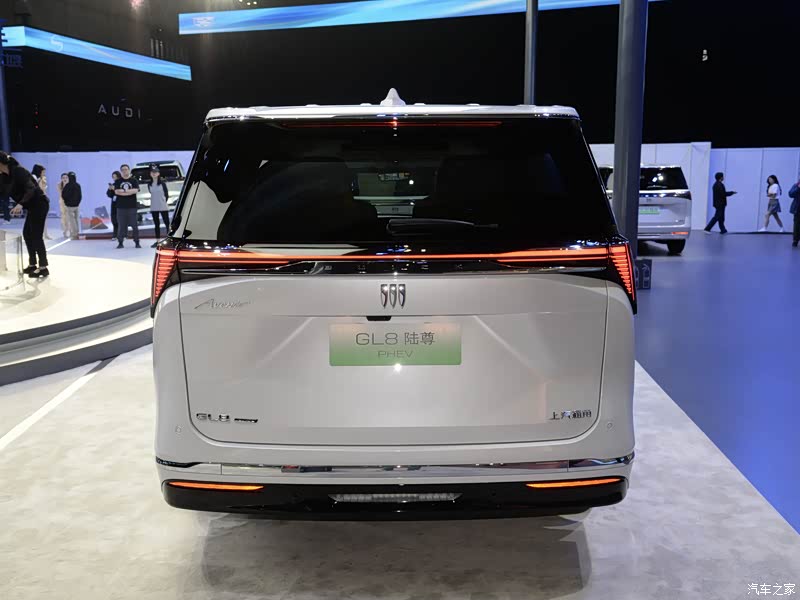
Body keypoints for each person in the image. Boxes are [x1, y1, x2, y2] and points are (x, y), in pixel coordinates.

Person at [0, 151, 50, 278]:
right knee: (27, 234)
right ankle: (32, 264)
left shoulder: (18, 170)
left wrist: (20, 204)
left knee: (36, 235)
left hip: (39, 203)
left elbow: (31, 188)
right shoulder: (4, 177)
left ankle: (43, 268)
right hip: (31, 206)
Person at [114, 163, 141, 249]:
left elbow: (136, 190)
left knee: (134, 226)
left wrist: (123, 192)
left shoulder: (134, 180)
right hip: (121, 207)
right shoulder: (118, 181)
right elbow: (116, 192)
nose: (124, 171)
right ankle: (120, 242)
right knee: (121, 226)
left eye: (126, 169)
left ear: (129, 170)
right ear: (121, 171)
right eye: (123, 170)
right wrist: (129, 192)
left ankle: (137, 242)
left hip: (132, 207)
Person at [147, 165, 171, 247]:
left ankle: (169, 240)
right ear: (150, 174)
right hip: (154, 206)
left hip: (163, 206)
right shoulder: (149, 184)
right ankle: (157, 241)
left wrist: (163, 202)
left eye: (155, 172)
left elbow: (166, 195)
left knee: (167, 223)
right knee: (156, 224)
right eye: (152, 172)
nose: (154, 173)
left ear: (158, 173)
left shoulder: (163, 184)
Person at [32, 165, 53, 240]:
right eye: (43, 171)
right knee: (36, 219)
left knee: (44, 218)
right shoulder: (34, 177)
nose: (44, 173)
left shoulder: (42, 178)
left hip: (43, 198)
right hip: (37, 200)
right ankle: (36, 235)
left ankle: (45, 234)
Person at [62, 171, 82, 240]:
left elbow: (63, 195)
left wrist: (66, 202)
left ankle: (74, 234)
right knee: (76, 219)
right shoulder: (78, 185)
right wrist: (78, 203)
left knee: (72, 220)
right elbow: (80, 196)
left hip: (69, 206)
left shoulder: (67, 186)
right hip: (76, 205)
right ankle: (77, 233)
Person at [106, 170, 121, 239]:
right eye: (113, 177)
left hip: (121, 204)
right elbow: (109, 195)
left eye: (115, 177)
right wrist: (110, 189)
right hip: (114, 204)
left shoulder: (121, 184)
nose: (114, 178)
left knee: (120, 220)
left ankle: (122, 234)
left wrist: (115, 189)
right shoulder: (113, 185)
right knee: (114, 220)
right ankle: (115, 235)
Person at [57, 172, 69, 238]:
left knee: (69, 216)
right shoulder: (59, 185)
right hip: (62, 202)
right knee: (64, 217)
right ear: (61, 179)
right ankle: (65, 231)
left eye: (66, 178)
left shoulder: (70, 185)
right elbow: (61, 194)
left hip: (69, 202)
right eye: (63, 178)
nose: (65, 179)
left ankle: (70, 230)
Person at [789, 178, 800, 248]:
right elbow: (790, 194)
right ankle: (795, 240)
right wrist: (798, 188)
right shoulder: (796, 185)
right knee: (796, 225)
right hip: (797, 209)